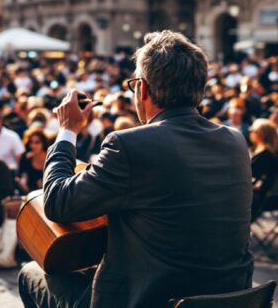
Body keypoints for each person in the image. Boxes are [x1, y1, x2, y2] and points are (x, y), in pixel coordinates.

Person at [19, 31, 253, 308]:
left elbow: (58, 202)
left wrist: (67, 131)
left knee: (30, 274)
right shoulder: (234, 140)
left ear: (142, 88)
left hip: (149, 300)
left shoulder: (130, 145)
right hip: (230, 299)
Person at [17, 126, 49, 194]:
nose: (33, 146)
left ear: (43, 143)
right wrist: (22, 183)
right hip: (29, 195)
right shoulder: (25, 158)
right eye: (31, 142)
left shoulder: (50, 158)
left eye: (37, 142)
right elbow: (19, 176)